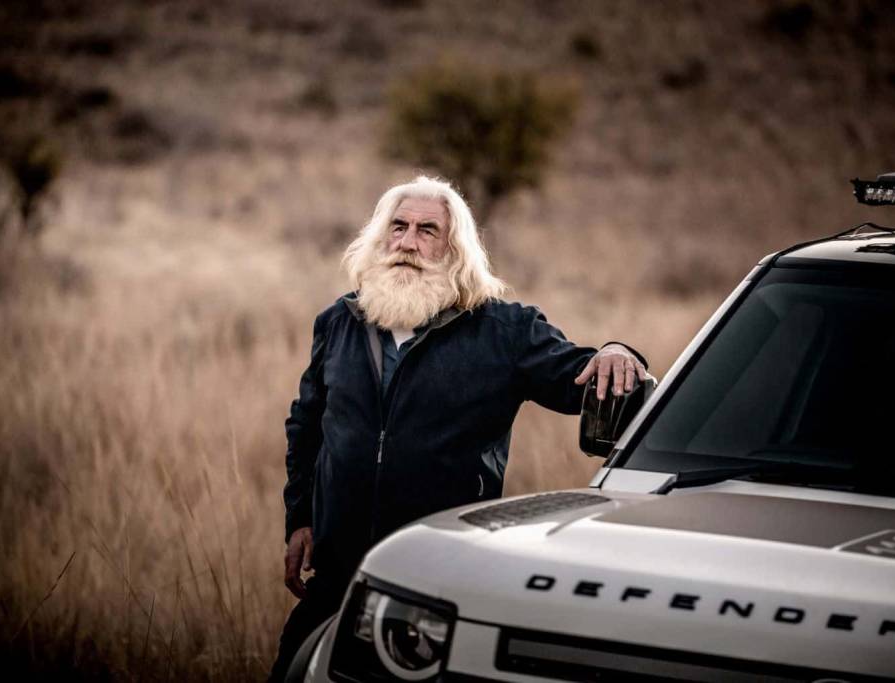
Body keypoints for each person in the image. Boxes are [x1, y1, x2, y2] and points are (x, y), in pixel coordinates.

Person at [268, 175, 647, 681]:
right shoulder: (339, 322)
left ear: (456, 250)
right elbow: (307, 426)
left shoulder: (504, 331)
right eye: (398, 227)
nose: (407, 243)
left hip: (442, 580)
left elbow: (581, 378)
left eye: (428, 231)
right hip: (339, 574)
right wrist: (299, 518)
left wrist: (620, 352)